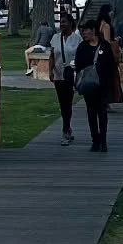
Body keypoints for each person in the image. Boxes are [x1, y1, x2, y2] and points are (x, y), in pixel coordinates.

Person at [74, 18, 116, 153]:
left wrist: (108, 82)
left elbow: (111, 65)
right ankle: (95, 140)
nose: (84, 33)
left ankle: (103, 140)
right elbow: (78, 66)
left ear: (93, 31)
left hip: (102, 86)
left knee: (102, 113)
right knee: (91, 113)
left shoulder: (104, 46)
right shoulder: (82, 47)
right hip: (88, 86)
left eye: (86, 30)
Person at [49, 12, 81, 145]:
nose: (62, 24)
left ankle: (65, 130)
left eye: (64, 22)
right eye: (60, 22)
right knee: (62, 104)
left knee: (67, 103)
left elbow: (80, 56)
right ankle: (67, 127)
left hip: (71, 75)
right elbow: (52, 55)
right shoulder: (55, 38)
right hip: (58, 75)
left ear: (70, 23)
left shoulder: (77, 39)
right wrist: (50, 71)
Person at [97, 4, 123, 105]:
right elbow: (107, 41)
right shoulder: (106, 26)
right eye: (110, 11)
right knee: (109, 79)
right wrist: (116, 41)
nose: (112, 13)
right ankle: (106, 101)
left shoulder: (99, 24)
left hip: (100, 54)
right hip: (107, 56)